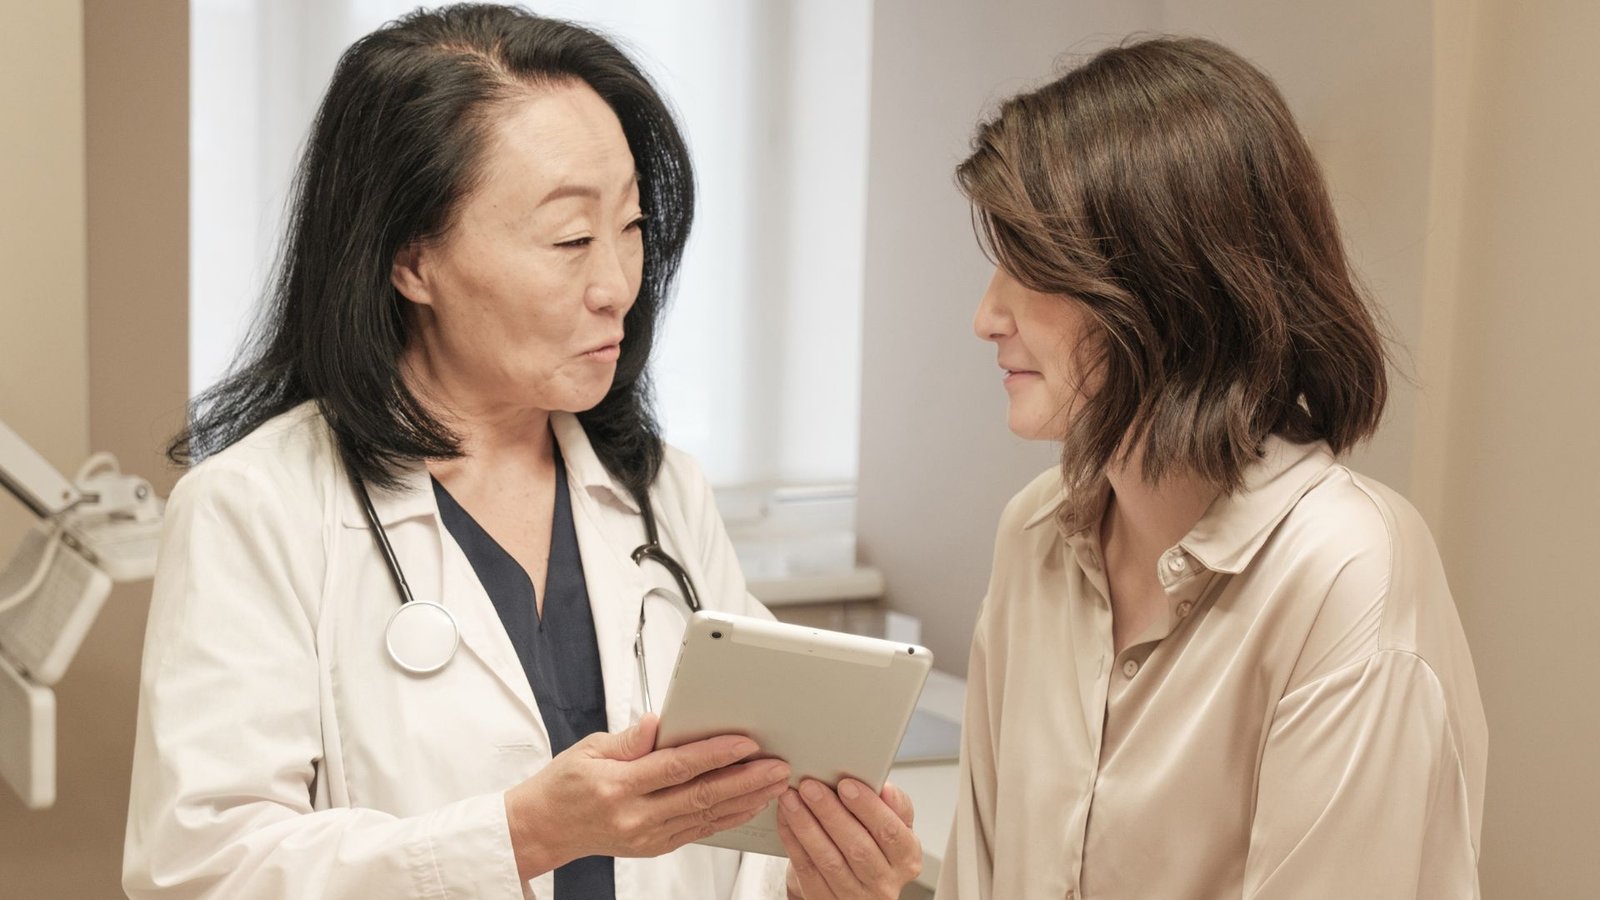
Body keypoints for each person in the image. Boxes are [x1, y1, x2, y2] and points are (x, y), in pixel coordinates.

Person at [122, 6, 920, 899]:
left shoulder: (659, 492)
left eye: (630, 227)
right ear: (410, 261)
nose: (618, 284)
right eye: (571, 239)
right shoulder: (257, 508)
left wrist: (823, 876)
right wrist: (522, 834)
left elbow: (734, 846)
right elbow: (199, 871)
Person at [938, 37, 1487, 899]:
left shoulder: (1346, 571)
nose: (986, 316)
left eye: (1030, 264)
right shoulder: (1036, 535)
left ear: (1164, 284)